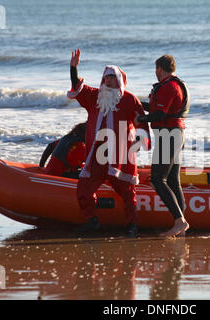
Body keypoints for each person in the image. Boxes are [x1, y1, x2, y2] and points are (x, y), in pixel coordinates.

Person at [67, 49, 150, 238]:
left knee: (127, 191)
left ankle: (132, 225)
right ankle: (92, 221)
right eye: (106, 77)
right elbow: (76, 87)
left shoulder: (129, 99)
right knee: (84, 187)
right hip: (97, 152)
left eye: (112, 77)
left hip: (119, 153)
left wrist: (141, 143)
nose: (109, 80)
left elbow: (141, 122)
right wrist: (73, 67)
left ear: (119, 80)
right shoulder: (95, 96)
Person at [135, 54, 190, 237]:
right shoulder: (175, 84)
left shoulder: (169, 87)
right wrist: (136, 104)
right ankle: (181, 225)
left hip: (169, 135)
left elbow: (158, 115)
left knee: (157, 179)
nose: (155, 73)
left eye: (156, 69)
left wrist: (140, 118)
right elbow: (157, 109)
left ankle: (179, 221)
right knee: (173, 181)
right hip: (176, 135)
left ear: (159, 68)